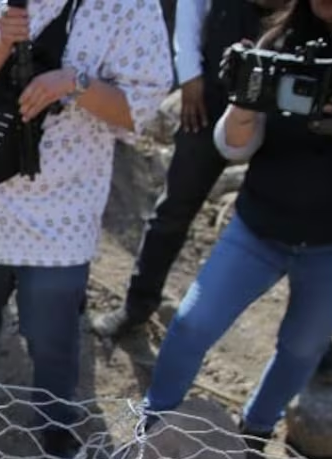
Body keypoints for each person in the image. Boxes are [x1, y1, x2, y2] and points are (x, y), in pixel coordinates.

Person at [143, 0, 332, 449]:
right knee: (190, 324)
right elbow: (235, 147)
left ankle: (256, 431)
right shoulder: (281, 35)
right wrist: (242, 103)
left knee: (301, 346)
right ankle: (154, 425)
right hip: (262, 220)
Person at [0, 0, 170, 456]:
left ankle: (56, 421)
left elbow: (139, 108)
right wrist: (0, 43)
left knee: (50, 327)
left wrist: (72, 83)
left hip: (64, 197)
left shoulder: (130, 6)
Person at [88, 0, 270, 340]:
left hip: (281, 102)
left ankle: (316, 346)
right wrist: (189, 75)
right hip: (212, 93)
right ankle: (137, 306)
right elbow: (192, 10)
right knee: (175, 207)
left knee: (288, 227)